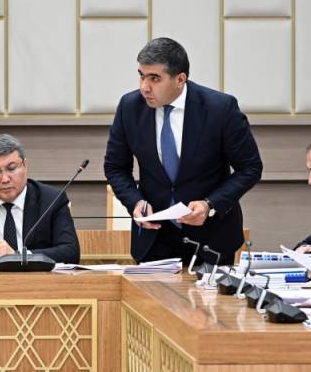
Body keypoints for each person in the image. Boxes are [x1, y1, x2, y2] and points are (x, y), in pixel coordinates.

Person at [103, 37, 262, 265]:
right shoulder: (130, 107)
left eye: (154, 78)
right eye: (141, 75)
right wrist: (135, 203)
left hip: (211, 239)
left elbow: (250, 167)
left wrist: (210, 204)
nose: (144, 87)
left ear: (180, 79)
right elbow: (115, 167)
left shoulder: (220, 109)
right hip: (154, 239)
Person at [0, 134, 79, 263]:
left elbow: (70, 252)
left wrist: (18, 255)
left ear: (25, 165)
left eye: (11, 168)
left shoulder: (52, 199)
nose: (5, 179)